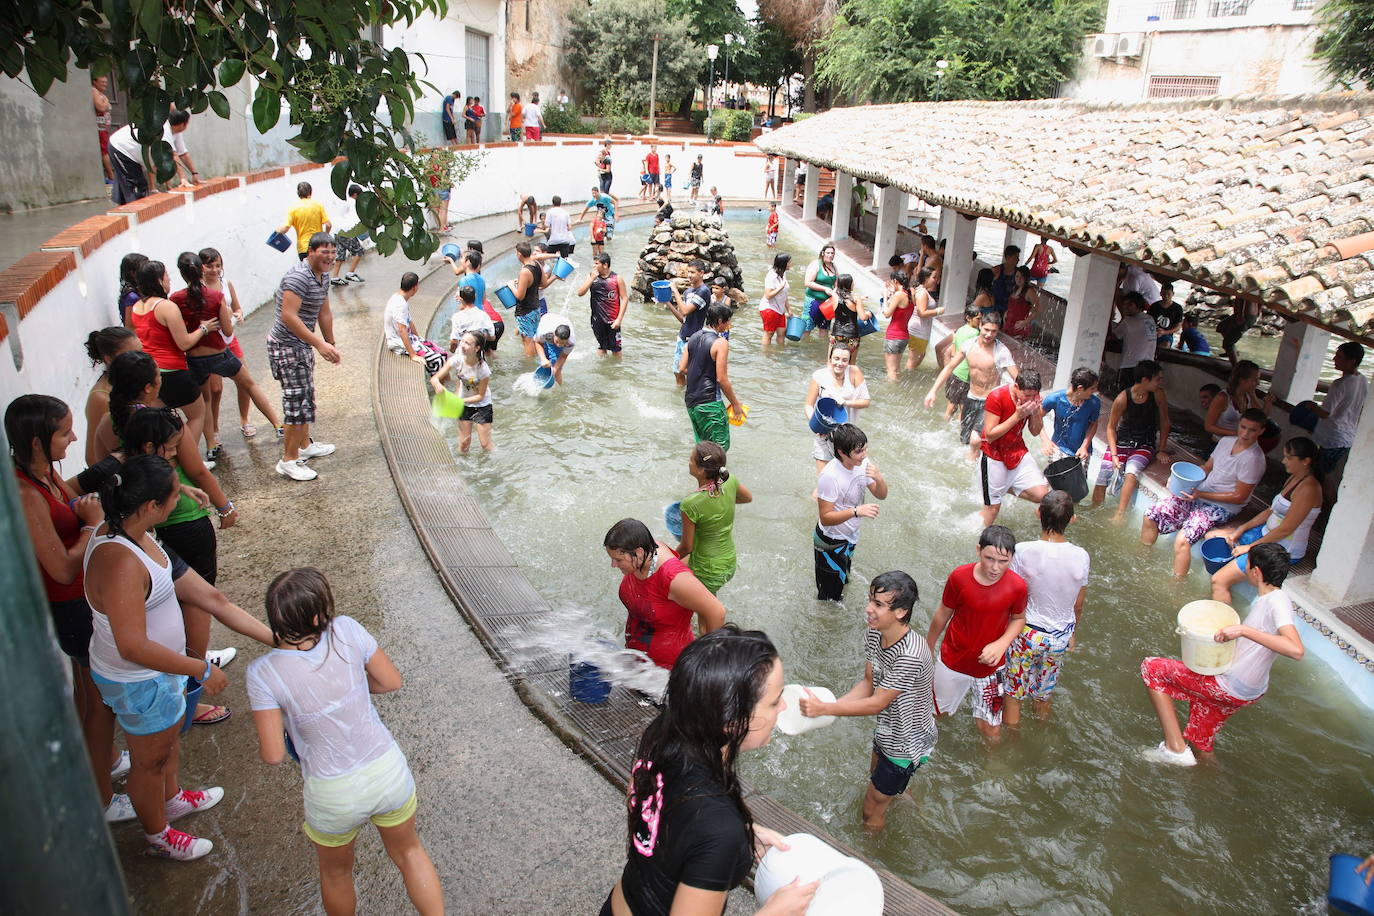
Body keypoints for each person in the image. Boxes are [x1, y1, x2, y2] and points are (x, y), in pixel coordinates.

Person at [248, 568, 443, 912]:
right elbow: (390, 681)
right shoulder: (347, 630)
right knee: (410, 853)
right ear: (317, 614)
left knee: (336, 873)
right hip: (386, 772)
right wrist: (350, 687)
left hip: (331, 793)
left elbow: (274, 754)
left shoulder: (263, 673)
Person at [599, 625, 816, 916]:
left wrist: (723, 835)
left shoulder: (662, 733)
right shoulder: (718, 827)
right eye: (775, 700)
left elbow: (642, 803)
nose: (784, 706)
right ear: (732, 721)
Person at [83, 454, 228, 860]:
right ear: (150, 506)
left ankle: (172, 797)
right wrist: (199, 667)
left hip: (154, 675)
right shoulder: (122, 563)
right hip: (140, 678)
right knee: (149, 762)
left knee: (165, 747)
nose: (177, 502)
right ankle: (158, 836)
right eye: (172, 496)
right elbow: (132, 644)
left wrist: (178, 485)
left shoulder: (120, 527)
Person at [10, 395, 131, 823]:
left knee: (88, 695)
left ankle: (108, 761)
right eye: (64, 431)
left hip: (81, 602)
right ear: (38, 442)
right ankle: (101, 800)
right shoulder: (25, 492)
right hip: (71, 606)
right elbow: (61, 568)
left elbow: (74, 499)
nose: (74, 436)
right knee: (99, 705)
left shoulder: (43, 473)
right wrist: (89, 526)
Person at [1141, 542, 1304, 765]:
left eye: (1246, 565)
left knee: (1152, 669)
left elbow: (1295, 649)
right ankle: (1206, 782)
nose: (1244, 569)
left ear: (1256, 572)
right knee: (1200, 742)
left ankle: (1174, 748)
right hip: (1246, 690)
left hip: (1230, 686)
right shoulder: (1269, 599)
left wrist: (1242, 630)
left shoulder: (1277, 600)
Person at [797, 571, 936, 831]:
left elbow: (877, 702)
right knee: (875, 779)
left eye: (878, 605)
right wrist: (830, 708)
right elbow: (868, 683)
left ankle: (872, 855)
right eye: (870, 600)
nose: (868, 609)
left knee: (870, 808)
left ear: (901, 612)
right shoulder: (875, 633)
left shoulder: (911, 654)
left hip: (907, 740)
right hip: (887, 729)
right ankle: (907, 799)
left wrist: (827, 708)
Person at [171, 251, 282, 459]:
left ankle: (211, 444)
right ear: (201, 269)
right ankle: (277, 424)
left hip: (195, 358)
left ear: (182, 273)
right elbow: (228, 331)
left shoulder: (175, 299)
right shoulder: (216, 297)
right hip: (219, 353)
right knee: (249, 383)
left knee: (205, 400)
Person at [926, 525, 1027, 741]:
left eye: (1003, 561)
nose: (995, 568)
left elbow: (1019, 619)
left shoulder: (1017, 586)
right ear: (978, 550)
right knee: (935, 715)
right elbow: (943, 613)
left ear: (1012, 558)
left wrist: (1002, 644)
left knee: (990, 729)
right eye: (989, 558)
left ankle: (993, 768)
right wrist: (928, 646)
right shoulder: (959, 577)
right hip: (953, 660)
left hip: (991, 668)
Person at [1141, 409, 1267, 576]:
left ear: (1261, 431)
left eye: (1252, 430)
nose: (1245, 433)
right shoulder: (1226, 442)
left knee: (1183, 539)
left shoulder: (1254, 459)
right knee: (1151, 515)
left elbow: (1240, 497)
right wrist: (1182, 481)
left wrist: (1200, 495)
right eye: (1243, 427)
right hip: (1199, 493)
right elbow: (1207, 468)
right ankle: (1142, 560)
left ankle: (1175, 585)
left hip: (1222, 507)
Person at [1003, 493, 1089, 727]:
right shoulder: (1081, 556)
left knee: (1013, 694)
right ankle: (1041, 731)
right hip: (1059, 638)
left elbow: (1011, 595)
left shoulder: (1022, 551)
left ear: (1038, 513)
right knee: (1043, 694)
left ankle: (1012, 742)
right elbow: (1078, 605)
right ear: (1072, 519)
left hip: (1026, 634)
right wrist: (1073, 633)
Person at [1209, 437, 1322, 603]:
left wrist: (1249, 547)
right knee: (1212, 537)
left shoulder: (1309, 489)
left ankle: (1223, 625)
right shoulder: (1294, 477)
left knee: (1218, 580)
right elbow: (1271, 510)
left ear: (1306, 461)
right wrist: (1242, 528)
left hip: (1281, 549)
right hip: (1265, 535)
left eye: (1289, 458)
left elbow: (1286, 529)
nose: (1284, 461)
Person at [603, 519, 726, 670]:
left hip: (667, 670)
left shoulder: (674, 579)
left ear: (639, 552)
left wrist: (710, 661)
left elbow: (716, 611)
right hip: (637, 656)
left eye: (618, 559)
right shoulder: (649, 549)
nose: (613, 565)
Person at [267, 232, 339, 482]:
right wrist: (319, 343)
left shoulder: (323, 276)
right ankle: (288, 460)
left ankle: (305, 445)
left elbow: (324, 310)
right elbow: (289, 316)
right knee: (295, 403)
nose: (329, 257)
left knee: (305, 397)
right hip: (286, 346)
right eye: (324, 252)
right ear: (310, 252)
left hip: (302, 345)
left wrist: (329, 341)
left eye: (333, 252)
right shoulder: (298, 278)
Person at [128, 259, 212, 446]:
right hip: (174, 371)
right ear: (158, 280)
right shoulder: (166, 307)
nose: (169, 279)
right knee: (197, 415)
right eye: (166, 275)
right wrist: (204, 329)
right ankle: (188, 458)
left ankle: (168, 457)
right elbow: (184, 343)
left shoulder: (136, 307)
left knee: (160, 422)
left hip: (151, 372)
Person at [199, 247, 281, 439]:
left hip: (229, 339)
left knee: (244, 382)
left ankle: (245, 420)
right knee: (215, 389)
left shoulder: (226, 283)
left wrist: (238, 314)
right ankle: (215, 429)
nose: (215, 270)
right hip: (210, 343)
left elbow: (236, 306)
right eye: (210, 266)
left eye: (218, 265)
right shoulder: (199, 289)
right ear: (201, 267)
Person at [924, 313, 1019, 455]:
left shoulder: (1001, 351)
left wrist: (1021, 398)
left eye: (993, 331)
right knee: (965, 439)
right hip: (971, 398)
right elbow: (949, 367)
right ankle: (973, 462)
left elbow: (1018, 378)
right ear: (980, 325)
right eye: (986, 329)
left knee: (976, 439)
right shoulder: (969, 345)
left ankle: (972, 465)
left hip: (990, 402)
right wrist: (933, 391)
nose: (989, 334)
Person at [813, 424, 888, 601]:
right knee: (829, 598)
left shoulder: (864, 464)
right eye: (859, 451)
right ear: (842, 452)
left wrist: (879, 477)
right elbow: (826, 518)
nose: (864, 455)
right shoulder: (829, 476)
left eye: (865, 449)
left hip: (850, 537)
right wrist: (856, 511)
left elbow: (881, 495)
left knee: (843, 583)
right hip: (830, 542)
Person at [1092, 360, 1171, 519]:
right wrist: (1114, 455)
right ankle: (1094, 511)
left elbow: (1165, 421)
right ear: (1145, 380)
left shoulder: (1158, 394)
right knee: (1104, 472)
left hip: (1144, 443)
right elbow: (1111, 428)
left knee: (1132, 471)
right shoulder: (1123, 398)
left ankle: (1119, 514)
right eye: (1158, 379)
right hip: (1122, 441)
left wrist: (1161, 449)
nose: (1161, 383)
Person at [676, 441, 752, 595]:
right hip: (729, 562)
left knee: (706, 613)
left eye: (691, 459)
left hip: (707, 569)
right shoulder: (730, 481)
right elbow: (747, 498)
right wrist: (725, 502)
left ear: (701, 471)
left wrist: (668, 562)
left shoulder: (690, 504)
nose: (688, 462)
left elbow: (686, 547)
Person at [977, 370, 1050, 527]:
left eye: (1034, 395)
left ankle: (999, 485)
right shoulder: (996, 396)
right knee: (993, 508)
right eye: (1027, 395)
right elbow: (990, 435)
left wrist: (1036, 411)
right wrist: (1017, 416)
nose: (1030, 400)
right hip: (993, 454)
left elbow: (1035, 431)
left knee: (1042, 494)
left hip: (1017, 450)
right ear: (1016, 386)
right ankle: (980, 541)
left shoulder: (1033, 401)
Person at [680, 304, 743, 451]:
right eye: (728, 321)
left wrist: (701, 372)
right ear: (720, 321)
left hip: (691, 402)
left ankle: (704, 474)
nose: (729, 325)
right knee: (719, 449)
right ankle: (719, 474)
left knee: (704, 449)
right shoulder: (721, 343)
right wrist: (735, 404)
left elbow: (682, 368)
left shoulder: (693, 337)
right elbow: (722, 379)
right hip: (710, 403)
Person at [804, 343, 871, 473]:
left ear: (849, 361)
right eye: (836, 359)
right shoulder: (819, 376)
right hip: (825, 435)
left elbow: (866, 402)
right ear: (830, 358)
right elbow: (808, 405)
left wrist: (845, 402)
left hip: (848, 437)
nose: (840, 363)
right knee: (824, 480)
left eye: (844, 360)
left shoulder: (854, 372)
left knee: (849, 478)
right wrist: (815, 424)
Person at [107, 110, 199, 203]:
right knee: (136, 185)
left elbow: (183, 154)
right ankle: (136, 212)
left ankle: (122, 212)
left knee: (128, 184)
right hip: (120, 148)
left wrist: (194, 173)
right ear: (183, 124)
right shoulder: (164, 130)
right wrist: (183, 179)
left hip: (130, 152)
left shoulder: (176, 133)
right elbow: (173, 156)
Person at [1310, 341, 1367, 490]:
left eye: (1340, 357)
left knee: (1322, 475)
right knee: (1327, 473)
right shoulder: (1362, 380)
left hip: (1332, 437)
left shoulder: (1339, 384)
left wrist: (1311, 406)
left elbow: (1325, 413)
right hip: (1347, 437)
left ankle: (1322, 506)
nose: (1334, 359)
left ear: (1352, 361)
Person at [84, 327, 141, 464]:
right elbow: (92, 457)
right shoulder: (101, 398)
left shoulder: (132, 381)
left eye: (141, 352)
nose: (141, 359)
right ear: (109, 359)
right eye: (132, 354)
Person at [431, 331, 494, 452]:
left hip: (482, 405)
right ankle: (461, 468)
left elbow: (480, 396)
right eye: (463, 341)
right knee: (464, 444)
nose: (463, 345)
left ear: (477, 348)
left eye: (468, 343)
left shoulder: (483, 369)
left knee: (485, 445)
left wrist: (459, 400)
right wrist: (437, 384)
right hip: (463, 403)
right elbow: (435, 378)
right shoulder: (457, 360)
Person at [1039, 366, 1101, 466]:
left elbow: (1093, 424)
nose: (1095, 391)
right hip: (1058, 447)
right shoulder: (1055, 399)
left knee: (1078, 481)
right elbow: (1037, 417)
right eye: (1092, 388)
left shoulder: (1094, 402)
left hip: (1082, 452)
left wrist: (1084, 446)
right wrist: (1045, 440)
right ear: (1080, 388)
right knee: (1054, 480)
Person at [667, 260, 711, 385]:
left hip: (693, 339)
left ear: (701, 273)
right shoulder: (688, 292)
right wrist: (667, 302)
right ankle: (682, 398)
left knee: (687, 370)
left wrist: (675, 291)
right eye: (688, 272)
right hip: (682, 336)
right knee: (677, 372)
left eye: (692, 272)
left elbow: (685, 310)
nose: (689, 275)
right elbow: (683, 319)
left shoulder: (704, 291)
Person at [1205, 359, 1272, 439]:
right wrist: (1236, 433)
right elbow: (1208, 427)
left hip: (1238, 442)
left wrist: (1265, 402)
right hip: (1219, 442)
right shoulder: (1223, 398)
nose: (1258, 383)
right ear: (1242, 380)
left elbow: (1261, 418)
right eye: (1255, 380)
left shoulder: (1248, 396)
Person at [577, 253, 627, 357]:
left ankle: (617, 370)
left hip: (613, 320)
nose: (593, 266)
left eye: (596, 264)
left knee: (616, 350)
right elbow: (580, 293)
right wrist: (591, 279)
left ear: (605, 265)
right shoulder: (591, 277)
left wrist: (619, 319)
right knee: (601, 346)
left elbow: (625, 298)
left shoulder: (617, 278)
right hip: (597, 319)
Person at [936, 306, 981, 422]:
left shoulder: (960, 330)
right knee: (963, 409)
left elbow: (954, 352)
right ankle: (958, 431)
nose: (980, 322)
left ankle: (944, 425)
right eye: (978, 319)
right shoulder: (976, 333)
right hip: (965, 375)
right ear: (968, 318)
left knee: (951, 405)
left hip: (955, 372)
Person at [277, 182, 332, 261]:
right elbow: (329, 225)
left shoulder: (293, 209)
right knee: (320, 271)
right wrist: (325, 236)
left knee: (307, 272)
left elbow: (285, 229)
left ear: (298, 193)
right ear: (311, 192)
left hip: (304, 248)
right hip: (319, 245)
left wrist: (277, 230)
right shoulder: (318, 205)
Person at [510, 241, 545, 357]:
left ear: (519, 254)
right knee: (534, 337)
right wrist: (523, 283)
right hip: (536, 307)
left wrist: (511, 285)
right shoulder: (537, 265)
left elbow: (520, 296)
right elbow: (543, 283)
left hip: (525, 311)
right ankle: (539, 359)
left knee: (528, 340)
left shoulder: (524, 271)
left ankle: (530, 366)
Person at [1111, 291, 1158, 378]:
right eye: (1124, 304)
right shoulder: (1149, 319)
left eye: (1130, 305)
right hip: (1148, 365)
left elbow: (1114, 336)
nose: (1125, 307)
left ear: (1138, 305)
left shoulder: (1127, 322)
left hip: (1130, 365)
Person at [329, 184, 368, 286]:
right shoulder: (353, 203)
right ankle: (350, 273)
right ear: (355, 194)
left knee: (340, 255)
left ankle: (335, 277)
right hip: (347, 232)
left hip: (337, 231)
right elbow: (355, 219)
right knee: (359, 251)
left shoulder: (342, 201)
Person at [824, 274, 871, 357]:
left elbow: (841, 297)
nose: (854, 284)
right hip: (852, 335)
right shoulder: (856, 298)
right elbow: (863, 317)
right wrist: (868, 314)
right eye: (852, 282)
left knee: (832, 361)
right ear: (849, 284)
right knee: (851, 365)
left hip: (836, 334)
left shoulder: (834, 296)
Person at [881, 270, 914, 381]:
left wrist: (885, 296)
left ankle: (891, 393)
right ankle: (899, 389)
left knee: (890, 370)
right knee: (897, 369)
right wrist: (891, 293)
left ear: (895, 281)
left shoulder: (899, 295)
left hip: (893, 336)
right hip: (904, 336)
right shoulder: (910, 293)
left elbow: (886, 314)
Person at [802, 244, 838, 341]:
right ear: (823, 253)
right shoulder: (815, 264)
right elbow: (808, 282)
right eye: (828, 253)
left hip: (828, 303)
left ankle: (821, 350)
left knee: (824, 327)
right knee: (807, 326)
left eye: (832, 253)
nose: (830, 255)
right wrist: (824, 289)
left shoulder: (834, 267)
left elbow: (836, 285)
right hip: (813, 300)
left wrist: (834, 291)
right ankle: (802, 348)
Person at [446, 285, 495, 354]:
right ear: (475, 296)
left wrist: (451, 352)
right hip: (477, 355)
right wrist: (480, 335)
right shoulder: (483, 315)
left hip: (462, 355)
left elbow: (454, 341)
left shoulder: (457, 317)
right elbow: (492, 337)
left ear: (461, 299)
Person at [759, 252, 793, 349]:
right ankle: (766, 354)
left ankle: (779, 354)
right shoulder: (771, 276)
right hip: (769, 308)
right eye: (789, 262)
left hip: (780, 309)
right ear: (783, 263)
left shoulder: (783, 273)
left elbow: (785, 294)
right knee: (769, 334)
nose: (791, 264)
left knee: (782, 333)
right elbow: (768, 295)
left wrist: (789, 309)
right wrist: (780, 288)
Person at [534, 312, 576, 385]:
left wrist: (555, 369)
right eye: (557, 341)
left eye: (562, 343)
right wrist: (543, 359)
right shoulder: (544, 332)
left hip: (563, 322)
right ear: (554, 334)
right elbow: (537, 342)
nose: (559, 345)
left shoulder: (570, 342)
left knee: (556, 366)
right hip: (547, 320)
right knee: (545, 359)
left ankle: (559, 390)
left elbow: (563, 356)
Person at [1217, 298, 1260, 366]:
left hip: (1245, 316)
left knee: (1228, 343)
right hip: (1246, 315)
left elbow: (1242, 296)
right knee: (1221, 327)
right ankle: (1232, 351)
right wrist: (1259, 311)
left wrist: (1240, 315)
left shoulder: (1246, 288)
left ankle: (1235, 367)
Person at [1004, 266, 1039, 339]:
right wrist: (1006, 312)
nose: (1018, 279)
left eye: (1022, 277)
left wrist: (1025, 322)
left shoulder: (1030, 291)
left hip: (1019, 326)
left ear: (1026, 278)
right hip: (1008, 322)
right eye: (1017, 276)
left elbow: (1037, 309)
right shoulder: (1015, 288)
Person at [1149, 282, 1183, 348]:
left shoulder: (1178, 308)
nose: (1166, 296)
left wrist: (1164, 332)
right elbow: (1147, 321)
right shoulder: (1154, 306)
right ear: (1160, 293)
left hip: (1167, 335)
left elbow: (1178, 326)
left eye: (1168, 294)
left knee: (1165, 344)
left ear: (1173, 294)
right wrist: (1153, 332)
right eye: (1164, 294)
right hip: (1152, 333)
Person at [990, 246, 1020, 315]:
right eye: (1016, 257)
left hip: (1010, 309)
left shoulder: (1018, 273)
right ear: (1008, 257)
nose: (1018, 260)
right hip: (995, 306)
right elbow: (987, 287)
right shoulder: (996, 270)